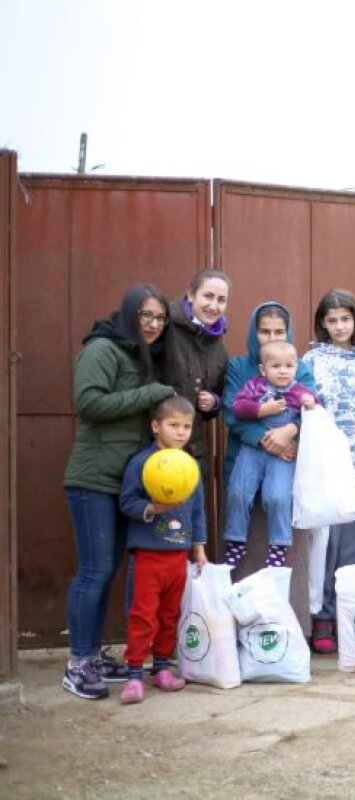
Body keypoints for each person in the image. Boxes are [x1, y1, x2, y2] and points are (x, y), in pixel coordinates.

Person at [62, 284, 177, 700]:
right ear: (129, 314)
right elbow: (88, 403)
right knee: (94, 571)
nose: (153, 324)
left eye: (160, 318)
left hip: (122, 482)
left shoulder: (138, 355)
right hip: (92, 479)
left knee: (107, 570)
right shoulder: (103, 349)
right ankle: (78, 663)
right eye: (146, 315)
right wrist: (150, 393)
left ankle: (92, 654)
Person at [301, 288, 355, 655]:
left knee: (353, 546)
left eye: (345, 319)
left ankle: (347, 618)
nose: (339, 326)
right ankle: (320, 617)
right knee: (326, 544)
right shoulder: (311, 361)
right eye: (331, 320)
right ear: (322, 323)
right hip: (327, 465)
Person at [116, 395, 208, 705]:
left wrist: (199, 547)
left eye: (186, 426)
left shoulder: (190, 466)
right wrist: (152, 508)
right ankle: (132, 675)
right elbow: (127, 502)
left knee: (170, 615)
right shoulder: (142, 462)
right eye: (173, 425)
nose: (181, 432)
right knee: (143, 615)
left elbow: (197, 511)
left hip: (177, 556)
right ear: (156, 426)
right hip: (147, 554)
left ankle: (161, 669)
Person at [222, 340, 319, 568]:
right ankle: (235, 542)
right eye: (276, 366)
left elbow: (317, 409)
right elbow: (238, 407)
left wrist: (310, 403)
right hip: (252, 450)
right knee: (238, 491)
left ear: (296, 368)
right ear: (263, 370)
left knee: (278, 496)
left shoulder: (298, 391)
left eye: (288, 366)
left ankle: (279, 545)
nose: (283, 371)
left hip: (282, 456)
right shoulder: (255, 386)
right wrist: (262, 409)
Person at [223, 302, 318, 484]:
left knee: (278, 501)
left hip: (287, 458)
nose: (272, 338)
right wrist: (269, 441)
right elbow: (231, 411)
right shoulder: (238, 367)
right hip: (244, 457)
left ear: (288, 333)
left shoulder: (298, 368)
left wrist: (291, 429)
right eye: (265, 332)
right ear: (254, 333)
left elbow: (312, 407)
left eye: (279, 332)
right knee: (239, 502)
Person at [160, 269, 231, 472]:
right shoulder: (165, 327)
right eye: (208, 296)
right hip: (157, 449)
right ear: (191, 295)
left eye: (221, 300)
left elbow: (217, 399)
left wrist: (213, 403)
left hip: (192, 453)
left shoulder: (219, 351)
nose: (213, 306)